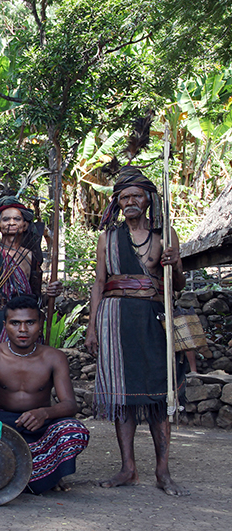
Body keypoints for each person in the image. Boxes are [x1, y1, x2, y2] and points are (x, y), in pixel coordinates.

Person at [85, 166, 188, 496]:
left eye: (136, 196)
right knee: (121, 395)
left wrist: (176, 264)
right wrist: (92, 327)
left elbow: (178, 287)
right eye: (124, 196)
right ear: (117, 202)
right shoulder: (107, 238)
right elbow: (100, 282)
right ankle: (128, 468)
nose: (130, 201)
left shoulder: (164, 235)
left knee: (159, 395)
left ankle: (163, 472)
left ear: (147, 200)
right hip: (114, 318)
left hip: (152, 318)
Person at [0, 295, 89, 493]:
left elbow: (70, 405)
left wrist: (44, 413)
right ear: (5, 325)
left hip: (40, 426)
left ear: (40, 324)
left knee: (75, 431)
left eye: (30, 323)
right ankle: (43, 475)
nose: (23, 330)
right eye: (15, 323)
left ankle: (40, 474)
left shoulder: (54, 357)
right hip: (1, 425)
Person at [0, 195, 62, 385]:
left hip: (22, 323)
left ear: (25, 225)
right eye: (5, 219)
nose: (11, 223)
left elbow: (34, 300)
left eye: (17, 219)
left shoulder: (30, 257)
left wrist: (50, 293)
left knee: (22, 376)